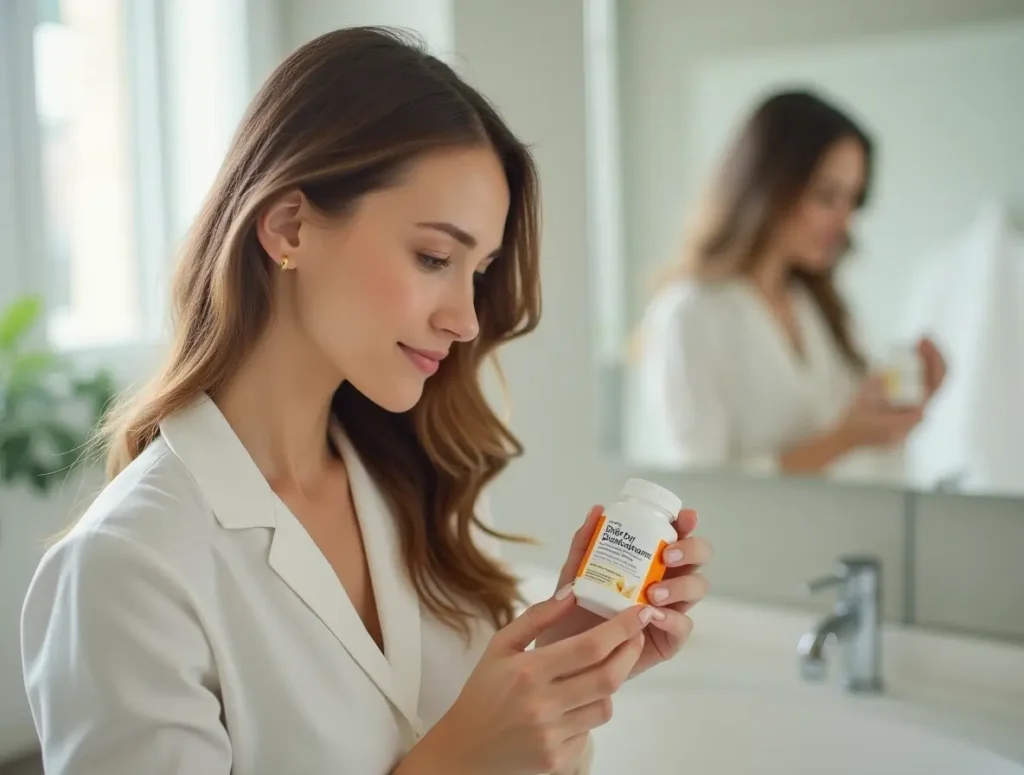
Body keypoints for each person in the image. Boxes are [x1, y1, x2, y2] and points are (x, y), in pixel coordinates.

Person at [20, 27, 712, 775]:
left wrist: (566, 658)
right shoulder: (128, 570)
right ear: (289, 228)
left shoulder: (405, 489)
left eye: (476, 271)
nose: (468, 318)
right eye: (433, 258)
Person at [631, 89, 946, 476]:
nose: (844, 222)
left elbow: (866, 454)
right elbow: (695, 486)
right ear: (770, 184)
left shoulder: (817, 307)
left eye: (853, 200)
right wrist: (843, 439)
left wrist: (900, 404)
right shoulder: (691, 312)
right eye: (827, 196)